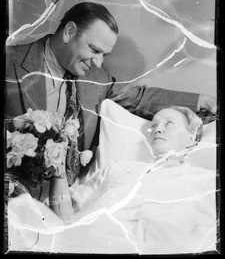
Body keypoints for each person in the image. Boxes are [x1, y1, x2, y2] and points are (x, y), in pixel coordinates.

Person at [5, 2, 216, 199]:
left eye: (104, 55)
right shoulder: (9, 62)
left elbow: (139, 97)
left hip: (69, 202)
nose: (98, 62)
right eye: (95, 50)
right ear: (69, 32)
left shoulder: (97, 77)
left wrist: (202, 100)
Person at [7, 105, 217, 254]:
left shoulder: (205, 183)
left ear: (192, 138)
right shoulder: (118, 168)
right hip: (79, 242)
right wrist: (59, 169)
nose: (157, 129)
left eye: (168, 123)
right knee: (18, 212)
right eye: (153, 125)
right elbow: (65, 216)